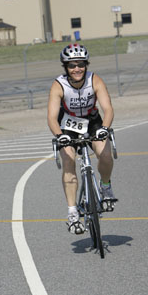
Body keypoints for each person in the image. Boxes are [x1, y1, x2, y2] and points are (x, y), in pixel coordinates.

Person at [47, 43, 116, 234]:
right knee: (68, 160)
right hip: (68, 125)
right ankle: (72, 213)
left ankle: (106, 186)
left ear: (86, 65)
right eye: (71, 65)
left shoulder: (95, 80)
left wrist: (104, 128)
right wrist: (60, 136)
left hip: (93, 121)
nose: (76, 69)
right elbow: (52, 117)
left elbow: (108, 109)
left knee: (105, 155)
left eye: (80, 64)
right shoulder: (58, 85)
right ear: (66, 68)